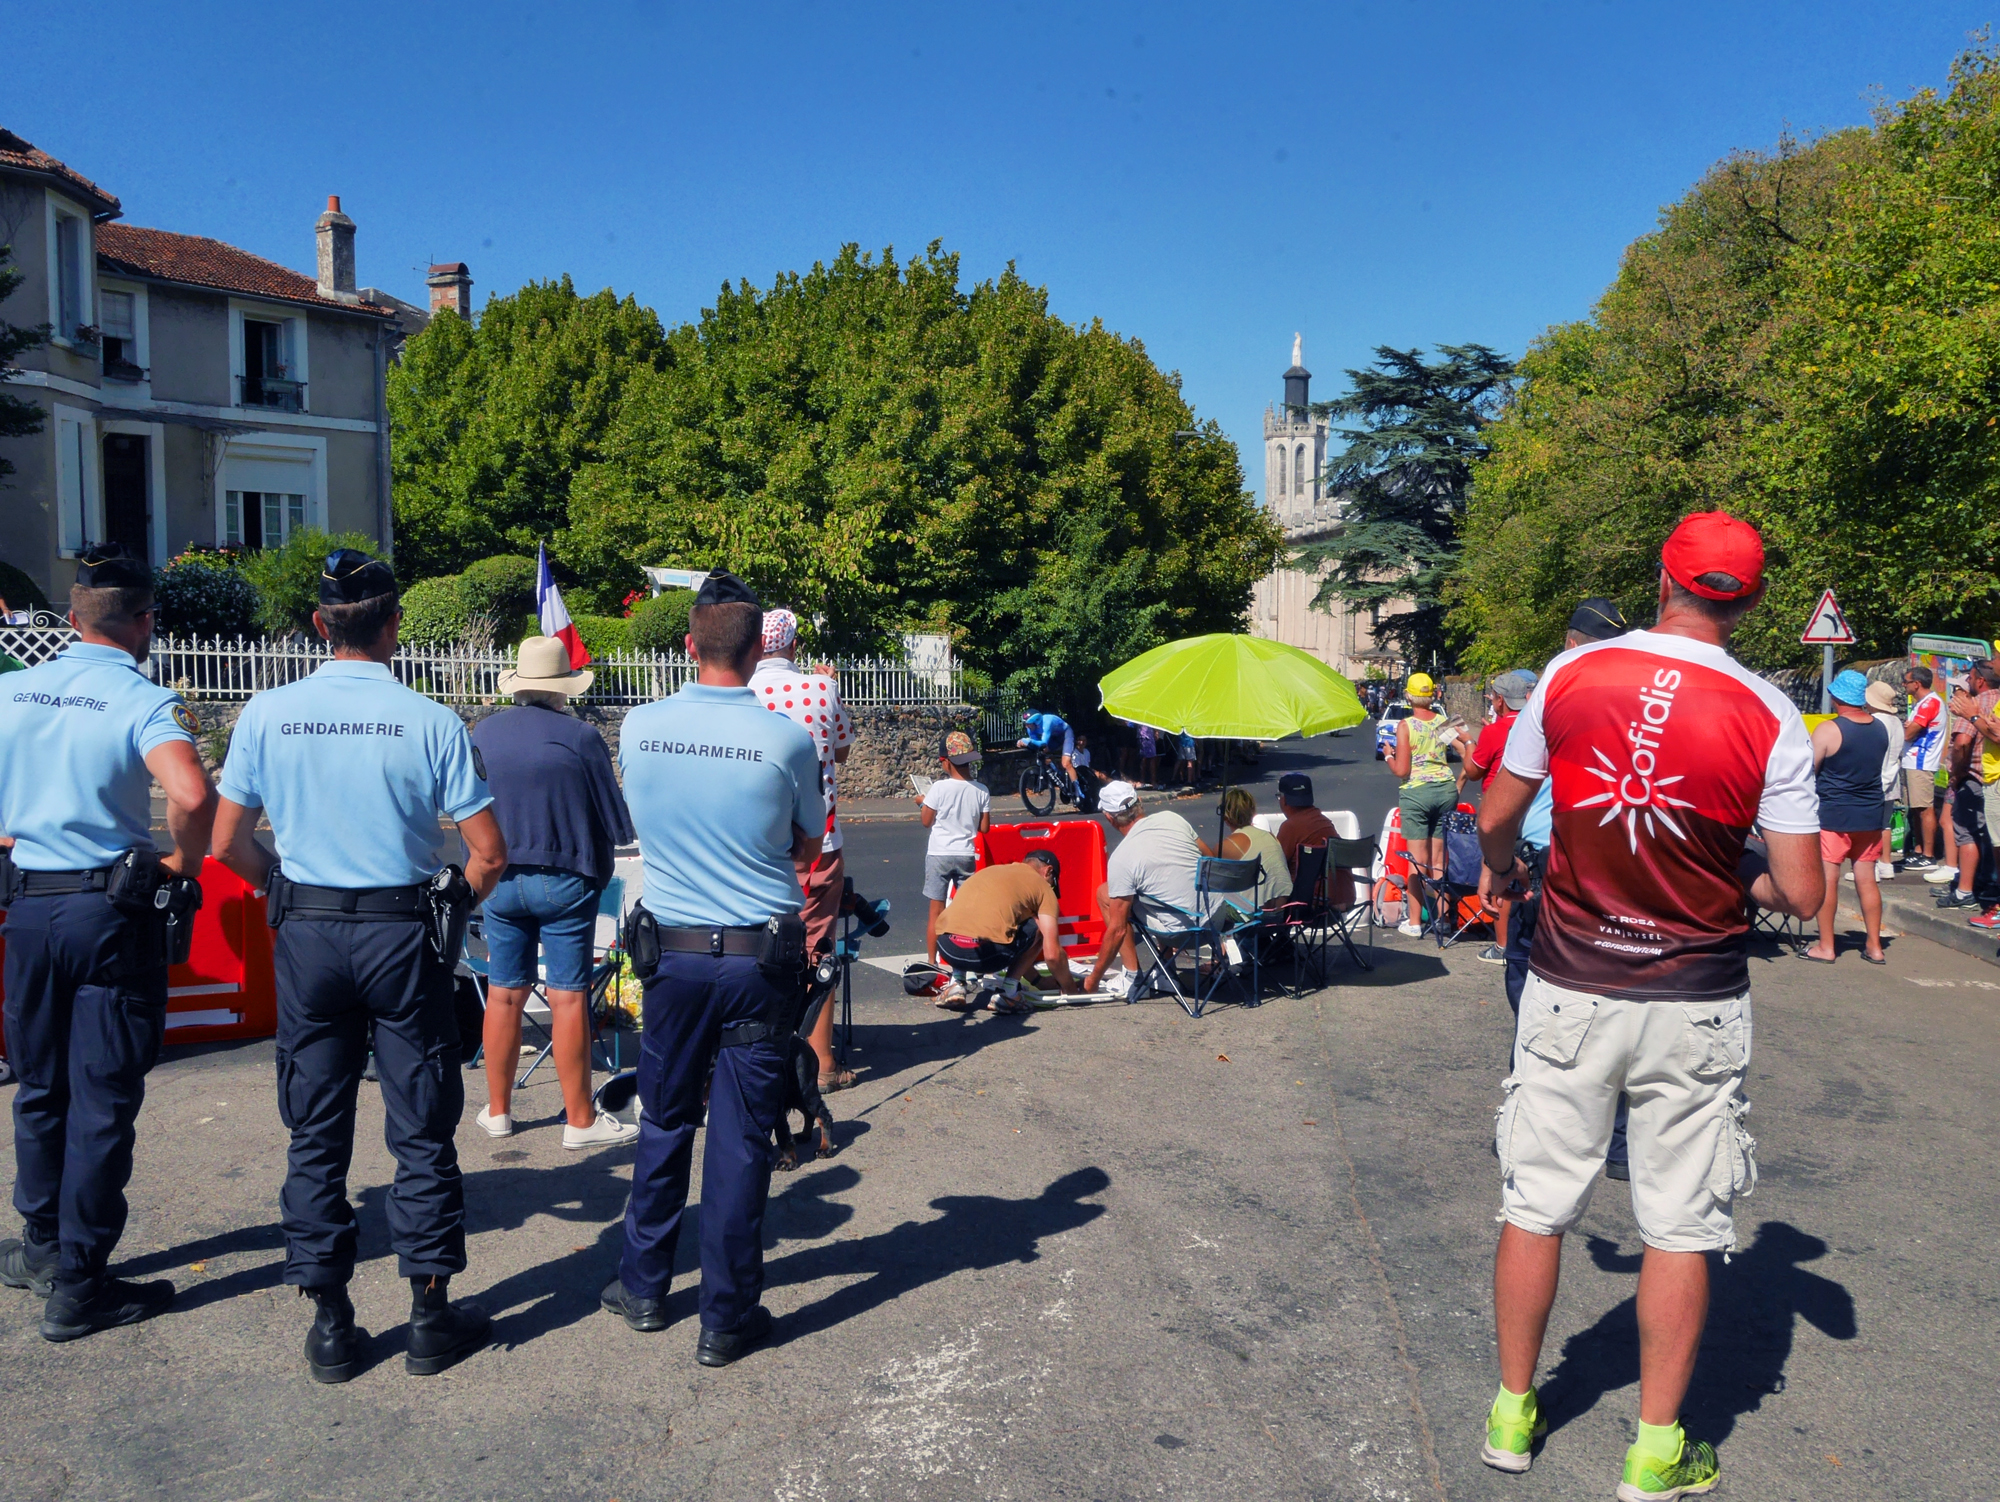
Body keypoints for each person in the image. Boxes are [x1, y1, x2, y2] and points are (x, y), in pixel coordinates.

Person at [1475, 511, 1822, 1496]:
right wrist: (1731, 874)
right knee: (1679, 1224)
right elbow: (1801, 894)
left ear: (1660, 576)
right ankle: (1654, 1450)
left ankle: (1512, 1413)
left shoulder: (1571, 672)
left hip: (1569, 978)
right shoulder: (1769, 714)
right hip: (1693, 996)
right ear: (1750, 600)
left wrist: (1502, 869)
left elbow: (1498, 814)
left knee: (1535, 1204)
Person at [211, 549, 507, 1383]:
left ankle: (332, 1321)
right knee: (421, 1124)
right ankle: (428, 1314)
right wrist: (453, 902)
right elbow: (488, 853)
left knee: (315, 1127)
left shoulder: (268, 714)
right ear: (394, 627)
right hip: (400, 930)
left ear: (319, 624)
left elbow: (228, 842)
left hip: (309, 928)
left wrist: (286, 888)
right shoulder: (430, 720)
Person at [600, 570, 823, 1367]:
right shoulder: (786, 740)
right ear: (759, 648)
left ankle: (644, 1286)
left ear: (689, 644)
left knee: (664, 1118)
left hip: (676, 956)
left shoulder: (641, 727)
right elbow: (807, 845)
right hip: (759, 959)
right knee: (740, 1137)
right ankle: (725, 1318)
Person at [0, 544, 217, 1340]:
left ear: (71, 617)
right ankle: (82, 1281)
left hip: (29, 905)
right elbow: (190, 793)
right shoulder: (142, 699)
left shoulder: (11, 690)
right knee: (101, 1096)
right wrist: (181, 864)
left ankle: (41, 1245)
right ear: (144, 621)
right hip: (106, 911)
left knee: (39, 1084)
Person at [468, 636, 636, 1148]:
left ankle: (498, 1111)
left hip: (499, 879)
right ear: (563, 688)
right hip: (565, 876)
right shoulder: (580, 736)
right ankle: (579, 1121)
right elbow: (618, 825)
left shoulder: (483, 732)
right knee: (567, 997)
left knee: (504, 993)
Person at [749, 609, 858, 1090]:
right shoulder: (820, 688)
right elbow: (841, 751)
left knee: (753, 945)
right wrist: (829, 685)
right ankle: (822, 1062)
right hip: (818, 839)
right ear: (793, 646)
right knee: (817, 947)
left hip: (754, 841)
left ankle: (758, 1055)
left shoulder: (742, 691)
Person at [1503, 599, 1629, 1016]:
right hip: (1617, 859)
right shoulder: (1642, 705)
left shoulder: (1552, 698)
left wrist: (1497, 862)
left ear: (1570, 644)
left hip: (1550, 857)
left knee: (1532, 975)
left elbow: (1507, 798)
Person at [1082, 781, 1216, 992]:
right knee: (1160, 888)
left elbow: (1117, 930)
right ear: (1140, 802)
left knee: (1106, 894)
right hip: (1216, 920)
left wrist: (1093, 979)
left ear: (1109, 818)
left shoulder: (1122, 858)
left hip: (1180, 933)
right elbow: (1210, 860)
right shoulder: (1172, 818)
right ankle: (1166, 972)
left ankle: (1132, 977)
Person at [1804, 671, 1889, 964]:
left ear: (1836, 697)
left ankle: (1826, 947)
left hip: (1835, 814)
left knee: (1828, 880)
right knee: (1867, 880)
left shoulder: (1829, 729)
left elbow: (1809, 771)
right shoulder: (1880, 728)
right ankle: (1875, 946)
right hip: (1871, 813)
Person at [934, 851, 1079, 1010]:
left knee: (968, 920)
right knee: (1038, 927)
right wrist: (1071, 989)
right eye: (1052, 883)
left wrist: (1038, 981)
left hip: (947, 948)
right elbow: (1052, 955)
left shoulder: (989, 872)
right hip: (989, 957)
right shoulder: (1042, 887)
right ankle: (1008, 993)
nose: (1050, 887)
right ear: (1048, 871)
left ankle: (956, 983)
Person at [1465, 670, 1537, 964]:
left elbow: (1474, 771)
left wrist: (1467, 743)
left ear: (1501, 701)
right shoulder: (1538, 725)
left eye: (1494, 696)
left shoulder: (1495, 731)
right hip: (1535, 810)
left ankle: (1503, 946)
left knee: (1501, 876)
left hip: (1502, 809)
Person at [1386, 671, 1465, 938]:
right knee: (1439, 860)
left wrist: (1388, 757)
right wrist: (1459, 784)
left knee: (1417, 862)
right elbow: (1466, 751)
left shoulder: (1405, 725)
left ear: (1408, 696)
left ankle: (1414, 922)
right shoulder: (1444, 722)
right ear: (1433, 695)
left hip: (1417, 793)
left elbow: (1402, 770)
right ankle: (1443, 919)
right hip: (1445, 789)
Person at [919, 731, 991, 977]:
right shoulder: (981, 790)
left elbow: (926, 821)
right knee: (966, 911)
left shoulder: (938, 788)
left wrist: (922, 802)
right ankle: (967, 962)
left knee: (936, 911)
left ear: (946, 762)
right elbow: (984, 828)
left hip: (939, 853)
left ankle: (933, 962)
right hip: (966, 854)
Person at [1948, 660, 2000, 931]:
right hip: (1988, 777)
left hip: (1979, 777)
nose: (1967, 682)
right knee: (1991, 839)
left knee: (1970, 834)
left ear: (1980, 681)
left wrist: (1956, 774)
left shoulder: (1975, 703)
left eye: (1969, 677)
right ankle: (1989, 889)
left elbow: (1962, 743)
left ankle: (1966, 891)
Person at [1902, 665, 1946, 872]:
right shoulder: (1921, 703)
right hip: (1913, 761)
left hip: (1922, 761)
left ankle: (1928, 855)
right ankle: (1919, 850)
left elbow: (1909, 733)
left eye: (1906, 681)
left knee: (1924, 808)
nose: (1904, 685)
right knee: (1916, 808)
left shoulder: (1930, 703)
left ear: (1917, 684)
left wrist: (1908, 727)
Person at [1863, 680, 1905, 884]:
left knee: (1869, 824)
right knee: (1884, 824)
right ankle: (1886, 864)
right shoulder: (1896, 721)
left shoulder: (1874, 722)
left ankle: (1869, 867)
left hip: (1874, 778)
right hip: (1892, 778)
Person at [1217, 788, 1289, 907]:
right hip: (1283, 908)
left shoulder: (1227, 846)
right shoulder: (1270, 836)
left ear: (1225, 817)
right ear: (1252, 811)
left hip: (1252, 911)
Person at [1018, 710, 1077, 795]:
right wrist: (1023, 743)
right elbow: (1036, 744)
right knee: (1043, 752)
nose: (1026, 726)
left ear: (1036, 722)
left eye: (1028, 724)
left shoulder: (1047, 722)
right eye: (1025, 724)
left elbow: (1044, 742)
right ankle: (1058, 774)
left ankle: (1078, 791)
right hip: (1054, 738)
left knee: (1066, 763)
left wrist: (1028, 741)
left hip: (1065, 734)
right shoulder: (1030, 729)